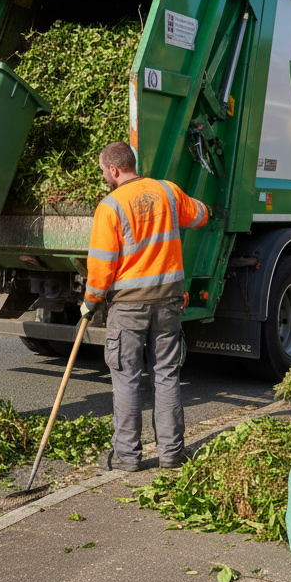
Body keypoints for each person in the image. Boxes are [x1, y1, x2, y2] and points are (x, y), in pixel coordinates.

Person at [82, 141, 209, 471]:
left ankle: (127, 456)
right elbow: (200, 216)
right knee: (166, 376)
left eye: (103, 172)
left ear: (113, 169)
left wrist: (90, 302)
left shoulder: (110, 207)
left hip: (128, 309)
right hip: (168, 302)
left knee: (126, 379)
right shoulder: (167, 192)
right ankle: (171, 454)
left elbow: (101, 265)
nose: (104, 177)